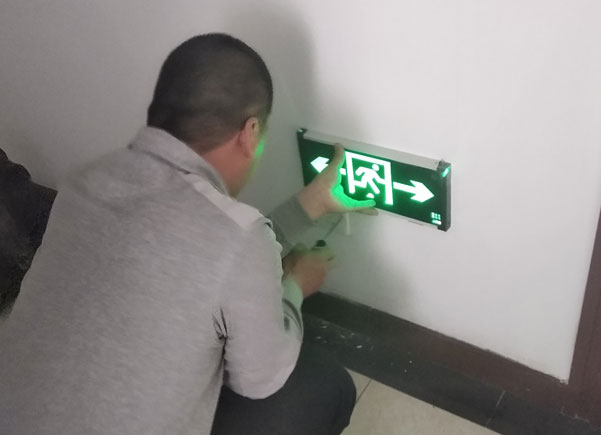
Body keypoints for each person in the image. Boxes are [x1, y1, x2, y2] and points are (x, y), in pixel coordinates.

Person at [0, 33, 376, 435]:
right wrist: (295, 285)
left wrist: (312, 203)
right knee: (323, 383)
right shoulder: (236, 238)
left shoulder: (81, 185)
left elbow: (218, 250)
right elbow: (260, 378)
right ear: (250, 132)